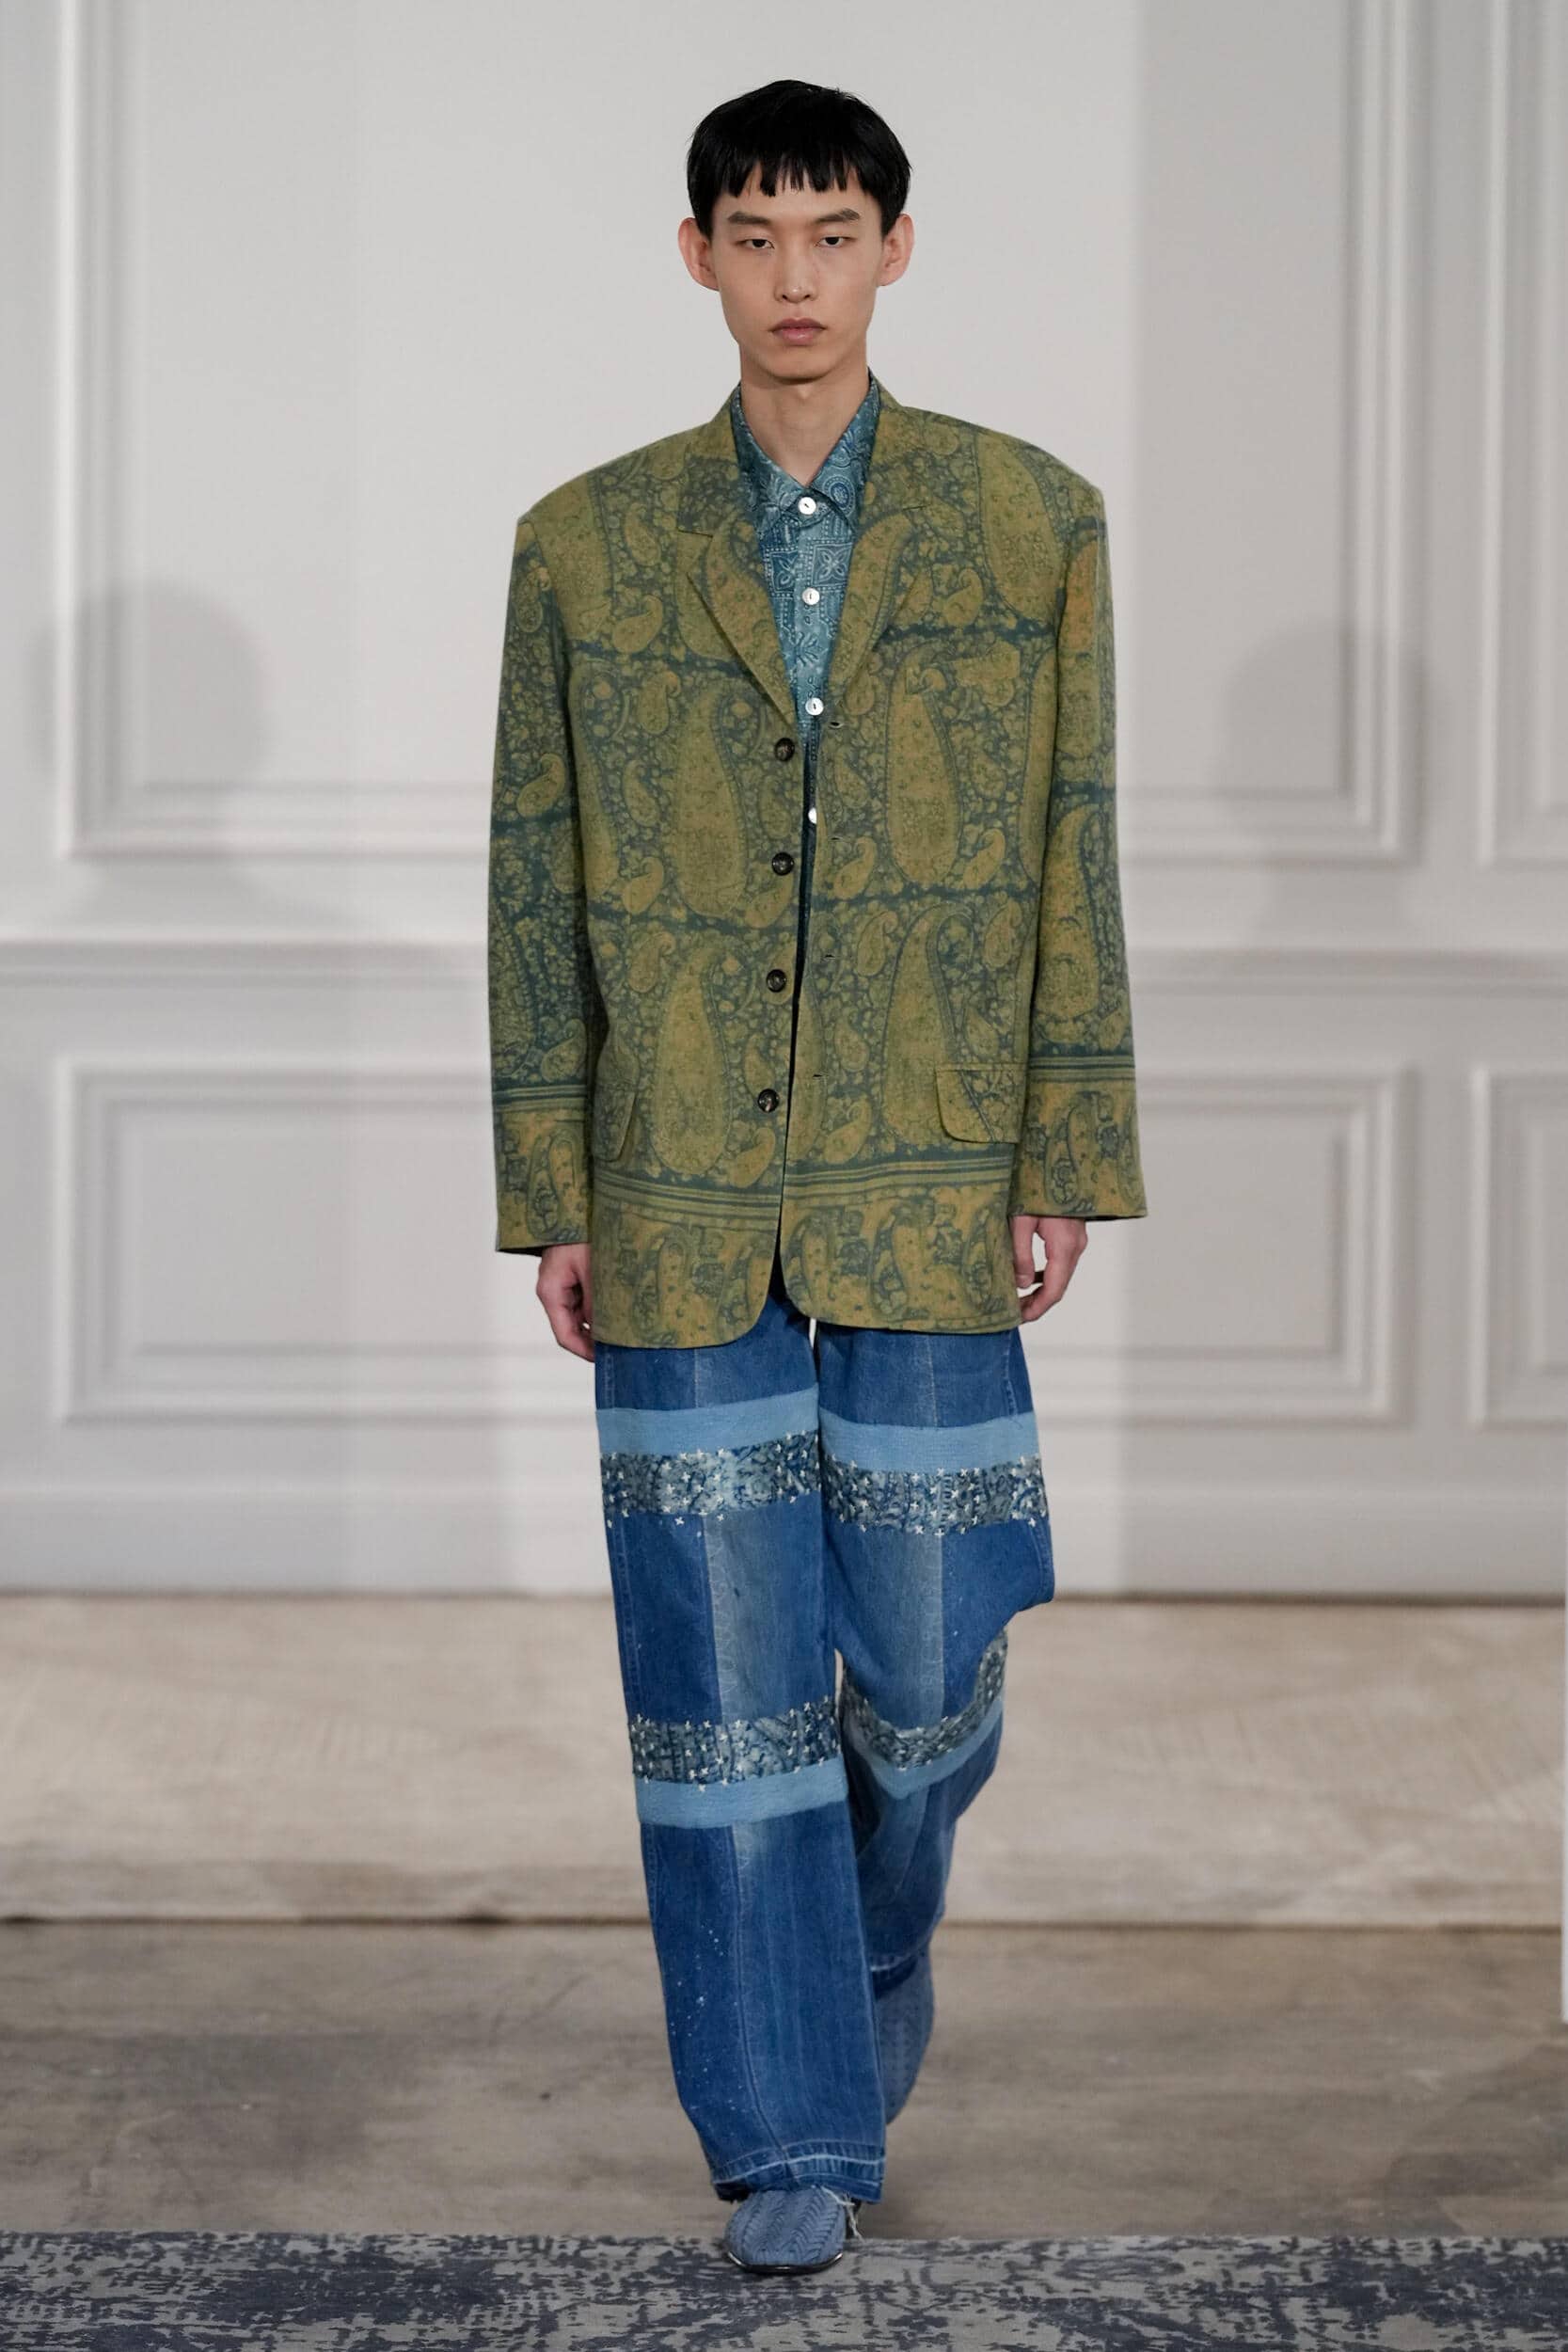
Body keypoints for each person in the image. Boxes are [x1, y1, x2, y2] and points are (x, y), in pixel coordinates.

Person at [487, 77, 1148, 2276]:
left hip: (931, 1172)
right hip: (675, 1188)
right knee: (726, 1693)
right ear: (698, 255)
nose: (796, 277)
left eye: (833, 233)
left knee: (929, 1671)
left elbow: (1073, 843)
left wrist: (1064, 1140)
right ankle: (788, 2123)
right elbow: (531, 880)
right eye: (755, 237)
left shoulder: (1032, 523)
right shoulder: (582, 545)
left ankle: (841, 1999)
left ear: (894, 248)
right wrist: (555, 1180)